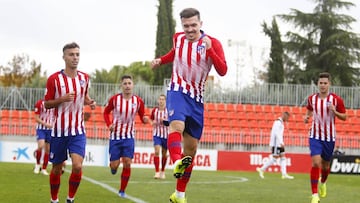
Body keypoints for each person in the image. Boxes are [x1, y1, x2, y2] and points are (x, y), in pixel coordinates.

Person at [151, 7, 227, 203]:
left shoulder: (213, 43)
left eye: (193, 25)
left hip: (197, 100)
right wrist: (161, 60)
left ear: (201, 24)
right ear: (182, 26)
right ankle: (177, 162)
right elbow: (174, 54)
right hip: (177, 90)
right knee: (176, 126)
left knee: (191, 150)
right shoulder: (178, 38)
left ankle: (179, 195)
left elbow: (223, 70)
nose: (190, 29)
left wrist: (210, 50)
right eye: (186, 26)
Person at [44, 42, 96, 203]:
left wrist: (90, 102)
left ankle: (70, 199)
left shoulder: (84, 78)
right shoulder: (54, 79)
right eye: (71, 54)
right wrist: (62, 99)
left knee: (77, 166)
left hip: (78, 131)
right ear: (64, 57)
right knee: (57, 169)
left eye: (77, 54)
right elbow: (47, 104)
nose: (75, 58)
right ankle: (54, 200)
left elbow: (84, 96)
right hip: (59, 131)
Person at [103, 75, 150, 198]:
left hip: (129, 136)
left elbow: (142, 116)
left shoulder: (138, 101)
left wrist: (145, 119)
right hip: (115, 137)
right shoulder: (115, 100)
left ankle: (122, 190)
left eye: (129, 83)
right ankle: (113, 167)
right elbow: (106, 112)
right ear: (121, 86)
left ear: (133, 85)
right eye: (125, 83)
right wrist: (109, 124)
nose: (127, 86)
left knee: (128, 163)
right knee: (114, 165)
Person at [303, 72, 347, 203]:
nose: (322, 85)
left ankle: (323, 182)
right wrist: (307, 117)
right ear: (318, 84)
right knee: (316, 162)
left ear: (329, 84)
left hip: (329, 138)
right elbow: (310, 109)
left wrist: (335, 111)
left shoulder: (336, 100)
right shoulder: (312, 98)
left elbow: (345, 117)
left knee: (325, 166)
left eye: (325, 83)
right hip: (315, 135)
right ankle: (315, 195)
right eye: (320, 83)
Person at [256, 112, 294, 179]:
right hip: (276, 144)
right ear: (284, 116)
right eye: (287, 117)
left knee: (283, 157)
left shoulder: (281, 123)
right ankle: (262, 169)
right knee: (274, 159)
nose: (287, 119)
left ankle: (284, 174)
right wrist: (281, 142)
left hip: (279, 143)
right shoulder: (278, 122)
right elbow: (276, 133)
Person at [33, 98, 54, 175]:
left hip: (50, 130)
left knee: (48, 149)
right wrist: (45, 124)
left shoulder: (55, 104)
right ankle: (38, 165)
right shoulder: (40, 103)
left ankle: (44, 168)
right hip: (41, 128)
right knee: (41, 145)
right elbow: (36, 117)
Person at [150, 94, 169, 179]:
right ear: (158, 100)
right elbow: (151, 120)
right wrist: (152, 123)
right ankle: (157, 172)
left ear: (165, 101)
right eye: (160, 99)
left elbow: (171, 122)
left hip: (166, 135)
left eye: (163, 100)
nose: (161, 101)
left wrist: (165, 121)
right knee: (157, 151)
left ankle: (162, 171)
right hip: (157, 134)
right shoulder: (155, 110)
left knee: (164, 154)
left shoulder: (168, 111)